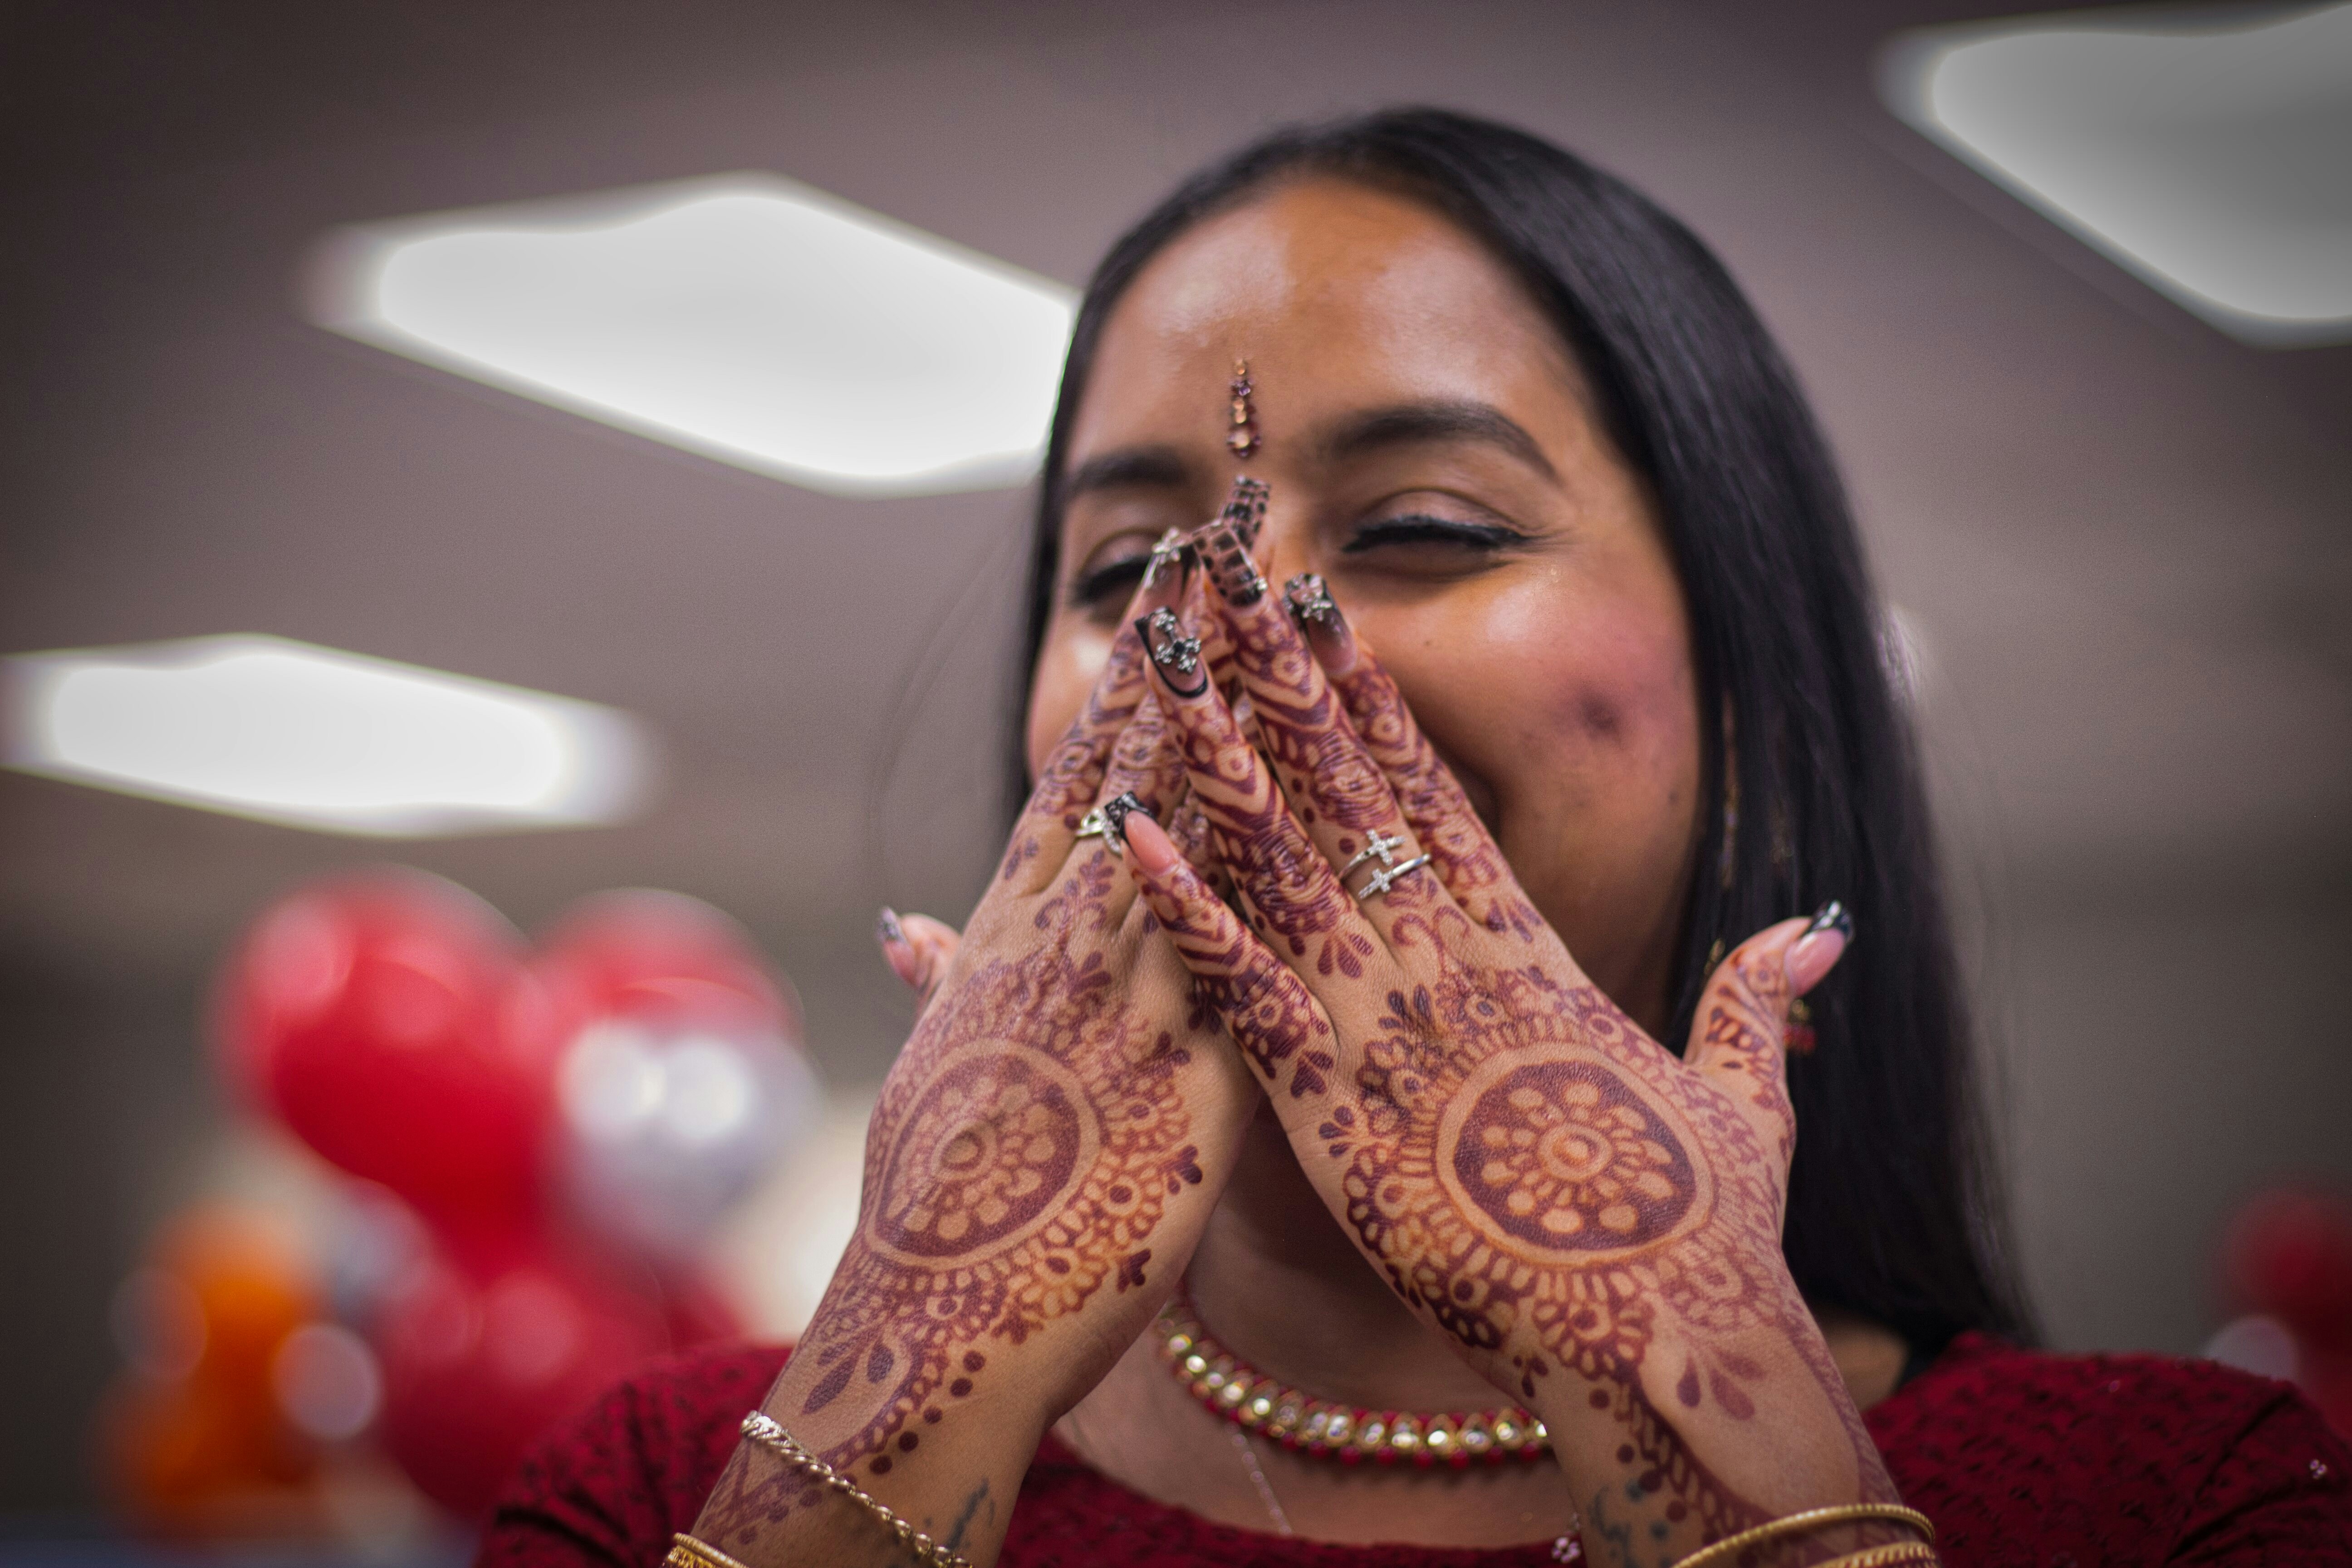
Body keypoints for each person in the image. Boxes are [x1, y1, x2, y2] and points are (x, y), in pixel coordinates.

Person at [480, 109, 2352, 1568]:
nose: (1232, 634)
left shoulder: (2168, 1500)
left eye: (1431, 528)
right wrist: (897, 1403)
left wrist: (1696, 1430)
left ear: (1750, 684)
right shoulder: (661, 1484)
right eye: (1126, 566)